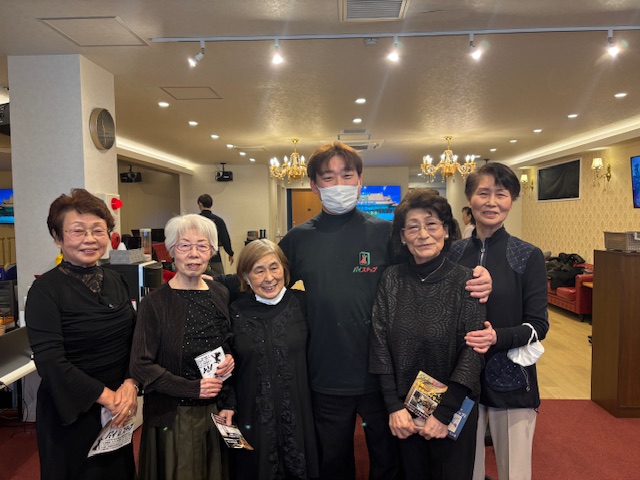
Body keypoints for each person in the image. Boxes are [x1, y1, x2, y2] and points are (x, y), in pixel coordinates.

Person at [279, 141, 492, 480]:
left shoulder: (382, 233)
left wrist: (478, 274)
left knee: (389, 463)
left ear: (359, 181)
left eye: (347, 175)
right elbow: (267, 283)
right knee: (332, 462)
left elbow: (429, 261)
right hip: (326, 372)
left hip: (385, 378)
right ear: (314, 186)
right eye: (328, 178)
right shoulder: (297, 239)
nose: (339, 184)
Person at [369, 189, 485, 479]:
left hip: (453, 409)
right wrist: (393, 407)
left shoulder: (467, 281)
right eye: (413, 227)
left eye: (431, 224)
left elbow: (474, 351)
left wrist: (444, 414)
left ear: (445, 230)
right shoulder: (391, 279)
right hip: (404, 413)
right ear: (402, 236)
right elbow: (379, 342)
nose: (423, 234)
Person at [25, 188, 138, 480]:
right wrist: (107, 397)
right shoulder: (45, 290)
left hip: (118, 406)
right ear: (58, 237)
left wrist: (130, 383)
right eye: (78, 231)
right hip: (73, 408)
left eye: (98, 230)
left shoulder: (115, 279)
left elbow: (133, 338)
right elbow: (50, 361)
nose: (90, 239)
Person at [448, 163, 549, 480]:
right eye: (483, 193)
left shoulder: (527, 255)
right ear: (469, 199)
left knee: (513, 471)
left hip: (512, 377)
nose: (492, 202)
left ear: (511, 200)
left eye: (501, 194)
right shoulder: (452, 254)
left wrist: (497, 337)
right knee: (464, 469)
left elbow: (538, 326)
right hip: (460, 378)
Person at [130, 214, 235, 480]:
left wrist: (229, 358)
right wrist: (191, 388)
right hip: (172, 415)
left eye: (202, 246)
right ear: (171, 251)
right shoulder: (154, 303)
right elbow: (140, 365)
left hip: (214, 410)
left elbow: (225, 340)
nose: (194, 254)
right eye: (184, 245)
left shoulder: (220, 293)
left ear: (212, 252)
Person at [229, 239, 319, 479]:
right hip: (252, 418)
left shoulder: (302, 304)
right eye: (259, 271)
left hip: (299, 414)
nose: (269, 278)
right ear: (246, 277)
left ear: (284, 270)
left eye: (274, 267)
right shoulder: (235, 312)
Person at [198, 193, 235, 275]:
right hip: (214, 256)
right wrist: (230, 253)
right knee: (218, 280)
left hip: (198, 256)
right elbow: (225, 238)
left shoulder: (195, 221)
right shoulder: (218, 220)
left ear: (200, 204)